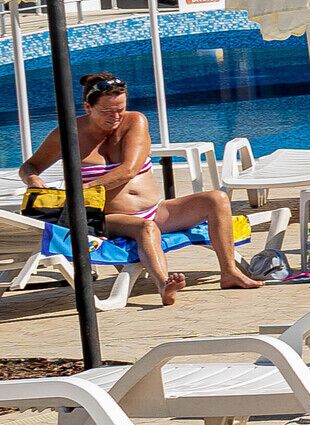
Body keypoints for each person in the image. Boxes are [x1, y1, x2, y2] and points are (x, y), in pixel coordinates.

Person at [19, 72, 259, 303]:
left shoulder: (135, 121)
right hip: (107, 218)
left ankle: (229, 272)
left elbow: (129, 170)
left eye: (120, 109)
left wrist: (83, 189)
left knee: (216, 199)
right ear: (87, 107)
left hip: (155, 209)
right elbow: (30, 166)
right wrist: (34, 181)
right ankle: (164, 284)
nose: (115, 116)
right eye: (106, 111)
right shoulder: (67, 134)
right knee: (146, 228)